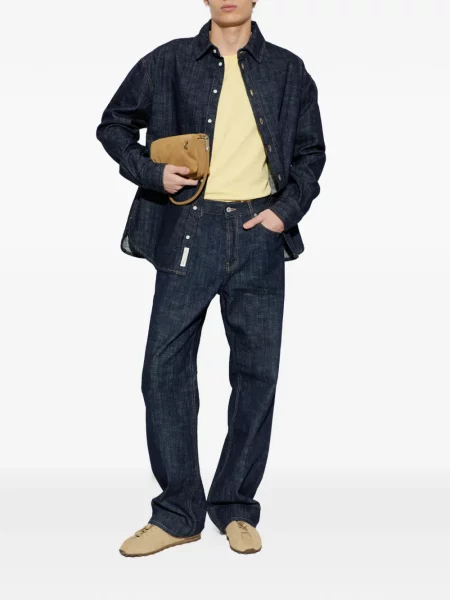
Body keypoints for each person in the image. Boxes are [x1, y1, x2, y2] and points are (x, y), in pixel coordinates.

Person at [96, 0, 326, 556]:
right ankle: (178, 513)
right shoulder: (168, 61)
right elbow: (113, 125)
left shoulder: (288, 69)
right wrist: (152, 172)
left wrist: (283, 213)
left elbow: (310, 152)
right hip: (188, 231)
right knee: (164, 370)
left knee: (256, 374)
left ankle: (235, 507)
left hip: (258, 232)